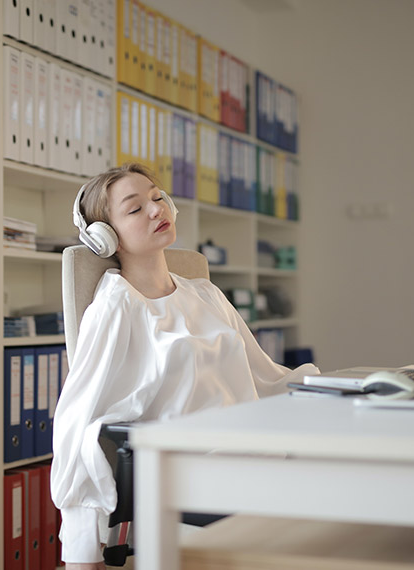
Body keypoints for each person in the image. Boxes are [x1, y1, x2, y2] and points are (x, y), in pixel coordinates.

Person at [51, 163, 319, 569]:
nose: (157, 210)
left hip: (252, 456)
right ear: (107, 238)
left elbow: (266, 377)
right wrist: (81, 552)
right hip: (197, 473)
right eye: (135, 208)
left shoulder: (206, 294)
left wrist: (348, 389)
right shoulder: (117, 306)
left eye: (158, 198)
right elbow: (78, 423)